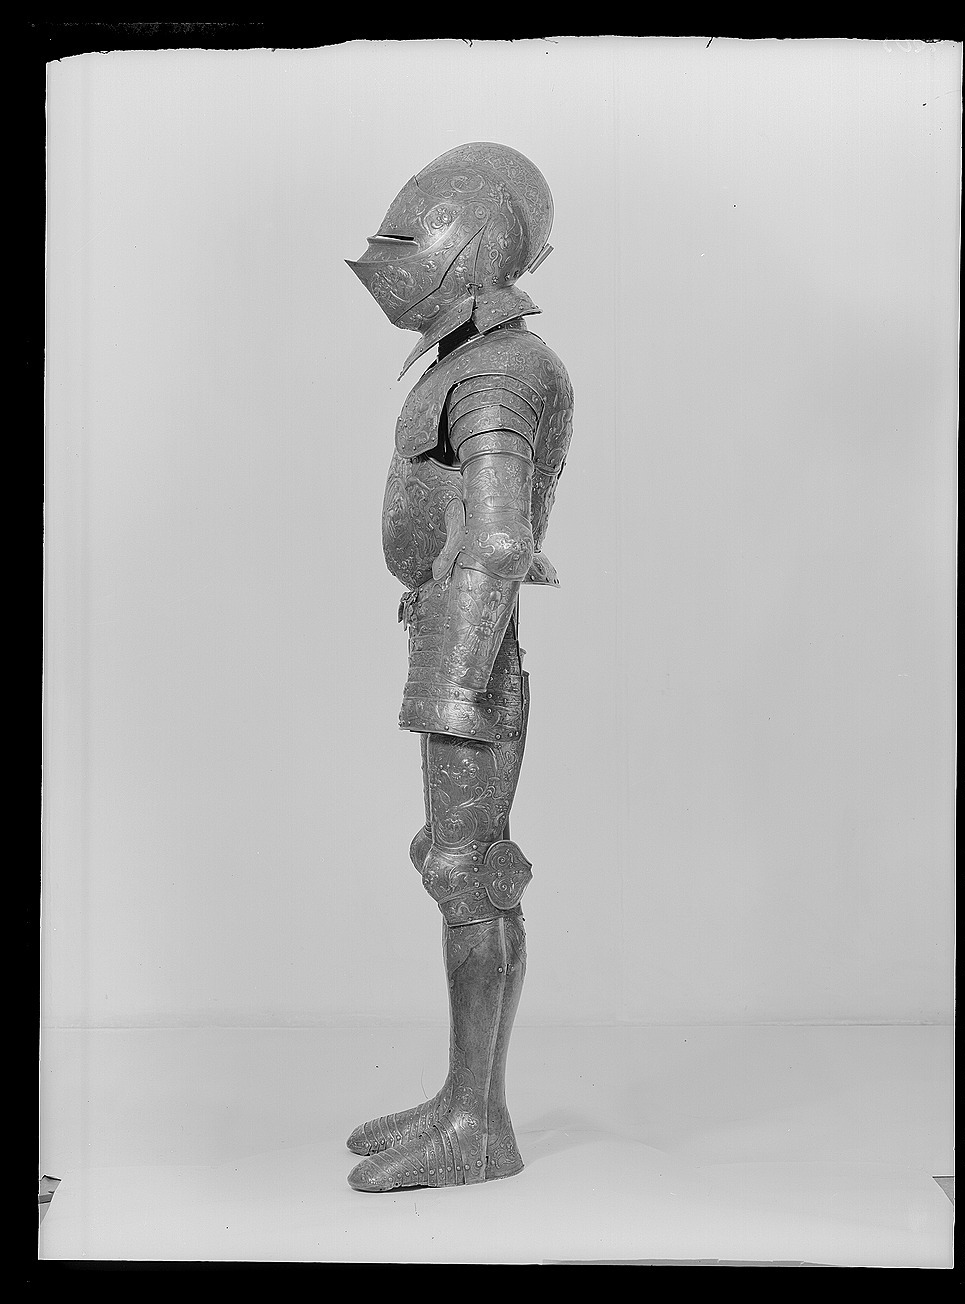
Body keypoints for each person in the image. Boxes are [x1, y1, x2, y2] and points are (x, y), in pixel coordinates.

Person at [344, 142, 573, 1191]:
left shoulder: (499, 370)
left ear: (471, 244)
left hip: (470, 650)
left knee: (465, 869)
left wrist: (448, 680)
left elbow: (496, 537)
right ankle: (460, 1098)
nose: (394, 252)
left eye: (414, 231)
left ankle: (479, 1123)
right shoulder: (477, 359)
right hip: (454, 632)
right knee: (455, 865)